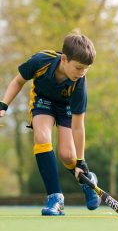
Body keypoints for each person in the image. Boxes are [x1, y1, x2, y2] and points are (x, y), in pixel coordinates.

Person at [0, 33, 101, 216]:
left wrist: (81, 161)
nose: (81, 73)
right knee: (42, 137)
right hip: (42, 101)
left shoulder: (79, 85)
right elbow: (18, 81)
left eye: (86, 70)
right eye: (78, 68)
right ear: (64, 59)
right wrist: (4, 105)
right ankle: (56, 198)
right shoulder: (40, 61)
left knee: (67, 156)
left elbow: (78, 125)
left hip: (66, 108)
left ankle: (87, 180)